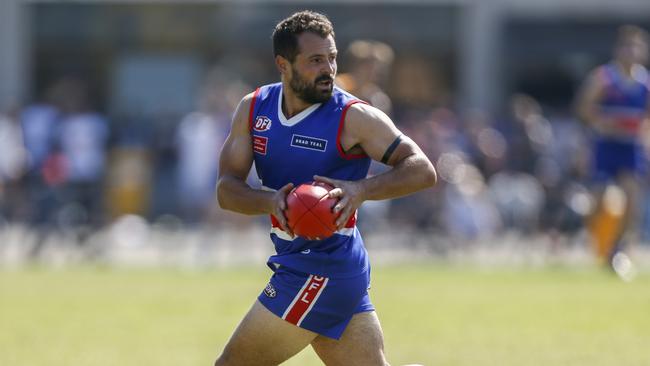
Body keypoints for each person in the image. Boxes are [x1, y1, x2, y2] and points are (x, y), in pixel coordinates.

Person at [215, 10, 436, 365]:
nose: (328, 69)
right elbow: (226, 190)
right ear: (283, 65)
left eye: (332, 58)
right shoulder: (254, 108)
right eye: (316, 60)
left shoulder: (354, 116)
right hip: (306, 262)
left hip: (322, 268)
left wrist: (360, 190)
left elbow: (421, 169)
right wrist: (271, 201)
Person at [576, 25, 650, 276]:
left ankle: (619, 250)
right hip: (605, 145)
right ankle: (598, 243)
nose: (631, 52)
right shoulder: (604, 78)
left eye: (636, 47)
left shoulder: (644, 83)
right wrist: (603, 122)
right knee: (598, 199)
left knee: (632, 200)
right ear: (619, 50)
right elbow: (584, 108)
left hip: (630, 147)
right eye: (627, 46)